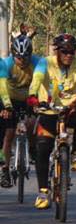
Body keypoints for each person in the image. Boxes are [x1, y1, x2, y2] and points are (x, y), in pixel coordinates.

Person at [27, 34, 76, 209]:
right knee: (43, 149)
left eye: (71, 52)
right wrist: (33, 96)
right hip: (48, 110)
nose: (68, 55)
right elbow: (36, 80)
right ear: (57, 51)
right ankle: (43, 192)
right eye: (65, 52)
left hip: (70, 110)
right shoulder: (45, 63)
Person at [1, 34, 42, 189]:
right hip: (9, 99)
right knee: (8, 133)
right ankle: (5, 169)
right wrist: (6, 106)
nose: (22, 61)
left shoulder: (38, 62)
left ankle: (32, 148)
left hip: (29, 99)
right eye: (19, 57)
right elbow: (2, 87)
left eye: (26, 57)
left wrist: (42, 100)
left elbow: (44, 82)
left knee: (33, 123)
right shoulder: (6, 64)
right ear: (13, 55)